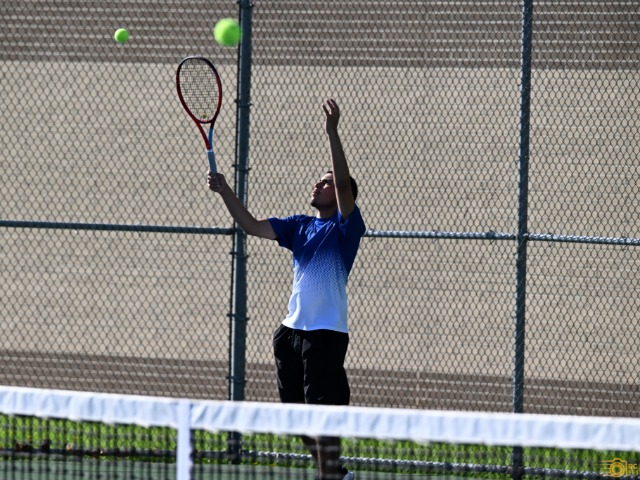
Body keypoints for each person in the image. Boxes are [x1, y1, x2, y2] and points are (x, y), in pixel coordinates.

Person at [207, 98, 365, 480]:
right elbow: (251, 225)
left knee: (322, 414)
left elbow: (344, 185)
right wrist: (225, 191)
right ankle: (334, 473)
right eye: (320, 180)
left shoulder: (346, 228)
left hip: (325, 335)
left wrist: (332, 132)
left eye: (326, 182)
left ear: (340, 195)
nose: (319, 184)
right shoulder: (299, 226)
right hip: (290, 333)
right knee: (296, 417)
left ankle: (331, 475)